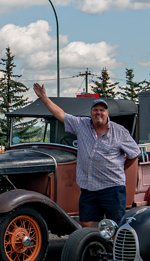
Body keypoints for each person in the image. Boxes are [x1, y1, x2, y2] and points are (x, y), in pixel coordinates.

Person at [31, 85, 140, 226]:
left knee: (114, 225)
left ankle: (112, 241)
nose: (98, 113)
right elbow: (61, 114)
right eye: (95, 110)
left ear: (107, 113)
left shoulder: (119, 131)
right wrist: (44, 97)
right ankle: (92, 241)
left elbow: (134, 153)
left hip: (112, 187)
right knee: (86, 224)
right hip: (89, 188)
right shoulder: (81, 125)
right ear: (91, 113)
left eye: (102, 110)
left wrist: (121, 169)